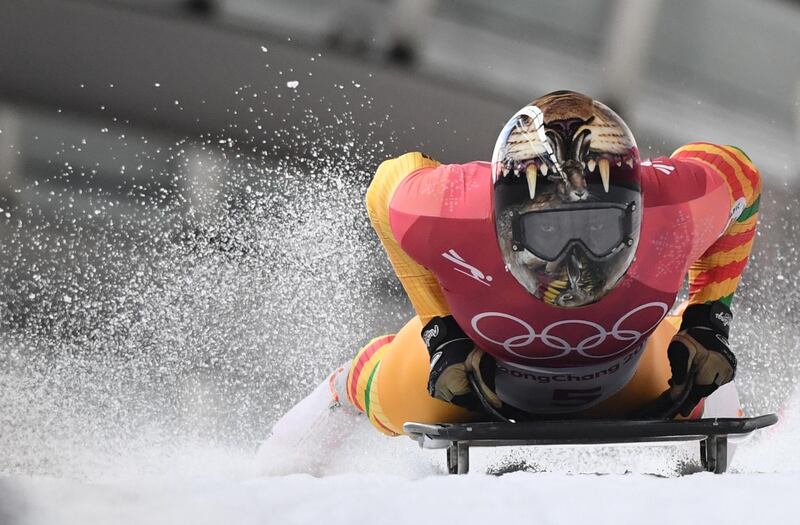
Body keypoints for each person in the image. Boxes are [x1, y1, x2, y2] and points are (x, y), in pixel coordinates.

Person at [257, 90, 760, 472]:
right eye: (549, 231)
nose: (574, 260)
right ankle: (346, 387)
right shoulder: (448, 207)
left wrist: (707, 323)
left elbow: (743, 177)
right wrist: (442, 333)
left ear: (636, 211)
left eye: (598, 227)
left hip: (596, 368)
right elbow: (384, 187)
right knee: (385, 388)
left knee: (705, 373)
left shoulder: (677, 204)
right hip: (487, 375)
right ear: (502, 222)